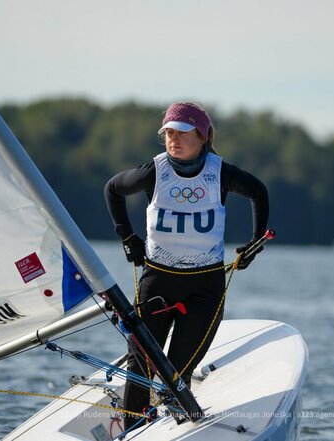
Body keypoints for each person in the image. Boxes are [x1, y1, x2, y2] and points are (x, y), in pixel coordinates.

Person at [104, 102, 269, 428]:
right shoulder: (154, 171)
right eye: (168, 133)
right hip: (158, 281)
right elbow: (112, 189)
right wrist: (127, 237)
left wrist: (255, 242)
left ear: (202, 136)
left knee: (176, 371)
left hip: (205, 287)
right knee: (142, 364)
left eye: (181, 133)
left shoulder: (220, 173)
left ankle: (174, 425)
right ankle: (132, 429)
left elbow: (258, 192)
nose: (172, 140)